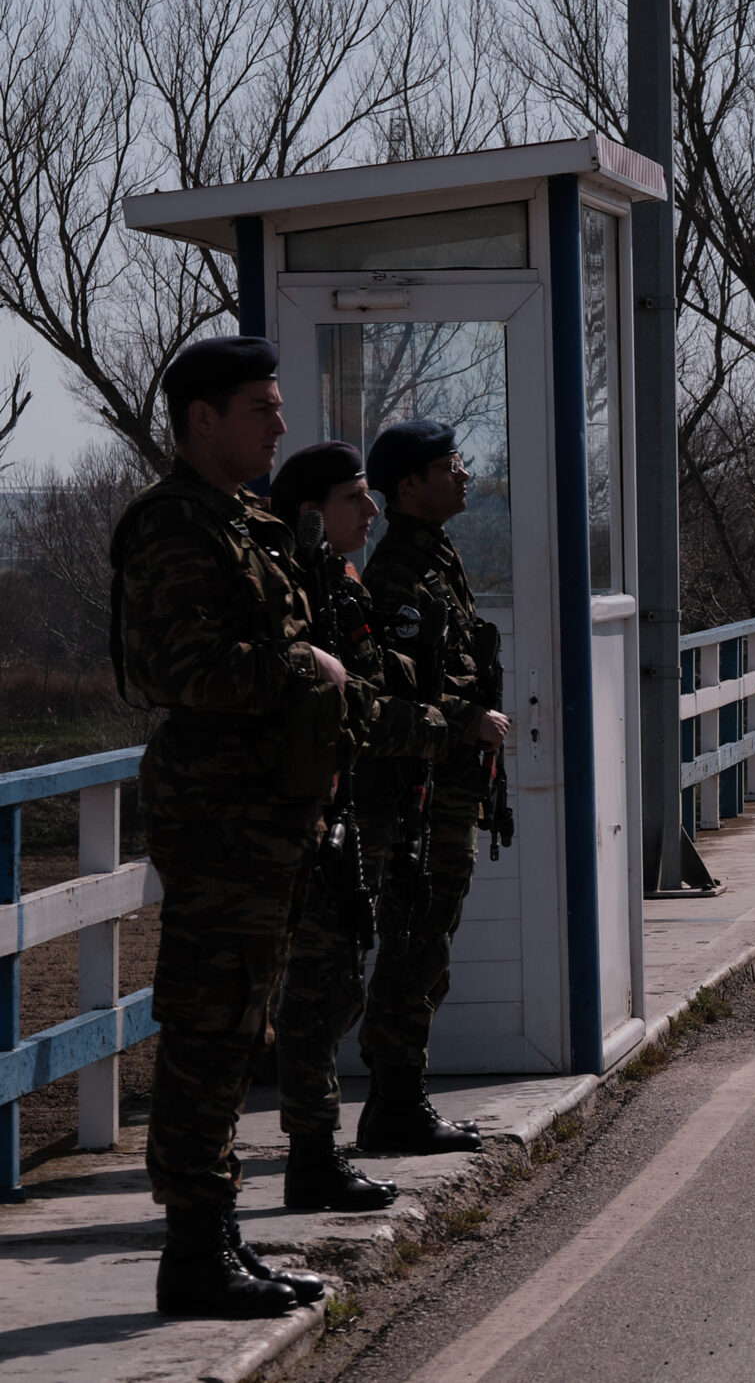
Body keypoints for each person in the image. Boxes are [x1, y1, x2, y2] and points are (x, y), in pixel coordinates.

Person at [111, 335, 339, 1318]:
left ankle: (219, 1237)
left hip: (264, 809)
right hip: (217, 813)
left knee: (243, 1022)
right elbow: (180, 670)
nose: (281, 424)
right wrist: (305, 670)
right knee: (210, 1025)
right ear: (201, 420)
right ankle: (195, 1254)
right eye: (261, 408)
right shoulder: (174, 525)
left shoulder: (245, 520)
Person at [270, 441, 446, 1212]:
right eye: (355, 497)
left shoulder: (339, 580)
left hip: (349, 806)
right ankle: (311, 1157)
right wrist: (432, 724)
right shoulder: (295, 586)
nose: (372, 510)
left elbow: (372, 676)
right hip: (308, 810)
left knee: (338, 978)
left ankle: (319, 1151)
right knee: (317, 989)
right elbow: (343, 701)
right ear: (313, 512)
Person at [354, 420, 511, 1156]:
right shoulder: (398, 576)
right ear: (410, 484)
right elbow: (391, 691)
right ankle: (395, 1105)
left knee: (429, 942)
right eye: (450, 465)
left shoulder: (435, 559)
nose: (463, 475)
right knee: (415, 944)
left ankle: (399, 1100)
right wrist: (468, 718)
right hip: (417, 792)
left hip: (446, 785)